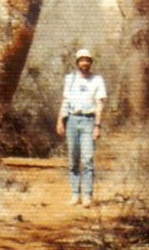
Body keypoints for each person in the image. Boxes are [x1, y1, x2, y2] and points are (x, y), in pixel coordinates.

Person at [56, 47, 107, 207]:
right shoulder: (70, 79)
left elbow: (99, 104)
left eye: (87, 60)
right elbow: (65, 101)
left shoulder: (97, 80)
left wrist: (98, 125)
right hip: (72, 120)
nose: (84, 63)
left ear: (90, 62)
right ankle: (75, 194)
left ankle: (87, 195)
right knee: (73, 159)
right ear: (77, 62)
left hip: (89, 121)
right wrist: (60, 121)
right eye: (81, 60)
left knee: (88, 159)